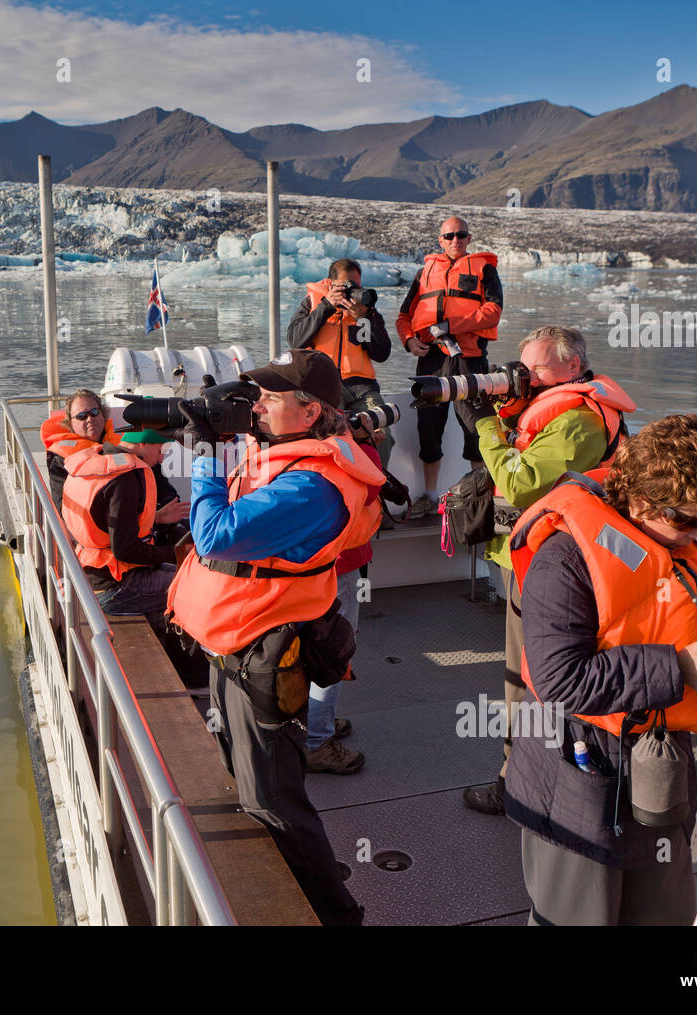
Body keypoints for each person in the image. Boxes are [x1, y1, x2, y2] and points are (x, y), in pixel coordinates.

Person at [505, 414, 697, 925]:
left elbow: (685, 594)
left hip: (658, 765)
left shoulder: (675, 538)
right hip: (579, 768)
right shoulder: (565, 559)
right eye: (687, 521)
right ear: (640, 500)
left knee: (663, 911)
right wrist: (679, 668)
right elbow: (559, 679)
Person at [166, 348, 384, 926]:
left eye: (270, 398)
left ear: (311, 414)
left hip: (265, 654)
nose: (256, 406)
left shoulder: (313, 488)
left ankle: (333, 913)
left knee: (275, 800)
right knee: (244, 777)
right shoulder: (287, 459)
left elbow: (214, 535)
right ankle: (277, 881)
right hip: (236, 641)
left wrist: (208, 452)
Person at [462, 326, 636, 815]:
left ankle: (517, 783)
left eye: (538, 368)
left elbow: (520, 485)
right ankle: (545, 777)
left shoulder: (578, 421)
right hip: (540, 557)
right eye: (525, 367)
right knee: (537, 676)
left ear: (574, 367)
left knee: (527, 677)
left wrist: (485, 428)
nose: (527, 376)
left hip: (546, 565)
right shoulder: (569, 409)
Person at [396, 216, 503, 517]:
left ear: (469, 239)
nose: (455, 240)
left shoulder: (485, 269)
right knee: (428, 428)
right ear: (440, 240)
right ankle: (429, 496)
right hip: (430, 359)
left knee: (476, 426)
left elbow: (493, 310)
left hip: (469, 359)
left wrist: (452, 325)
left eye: (461, 235)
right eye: (449, 236)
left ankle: (480, 498)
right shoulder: (424, 273)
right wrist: (408, 341)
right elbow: (404, 317)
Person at [306, 415, 382, 775]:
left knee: (303, 649)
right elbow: (373, 487)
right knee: (334, 651)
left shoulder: (298, 458)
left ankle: (308, 724)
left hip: (306, 571)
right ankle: (317, 739)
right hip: (341, 569)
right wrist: (366, 444)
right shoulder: (358, 457)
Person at [61, 428, 189, 623]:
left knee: (186, 572)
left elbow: (106, 522)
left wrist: (156, 518)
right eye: (160, 450)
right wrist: (180, 553)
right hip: (114, 587)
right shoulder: (124, 477)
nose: (161, 458)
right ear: (143, 444)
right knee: (198, 582)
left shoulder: (102, 459)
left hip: (93, 574)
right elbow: (125, 550)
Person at [287, 258, 394, 468]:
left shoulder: (366, 310)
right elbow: (295, 339)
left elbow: (382, 353)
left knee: (382, 434)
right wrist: (326, 306)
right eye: (347, 286)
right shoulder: (313, 302)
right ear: (331, 283)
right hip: (325, 386)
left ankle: (377, 491)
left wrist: (364, 319)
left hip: (362, 389)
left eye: (357, 286)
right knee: (330, 435)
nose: (352, 292)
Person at [41, 389, 118, 512]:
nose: (89, 419)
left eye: (94, 412)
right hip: (94, 520)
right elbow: (62, 505)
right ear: (71, 423)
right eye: (81, 416)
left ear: (103, 414)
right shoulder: (61, 460)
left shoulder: (124, 445)